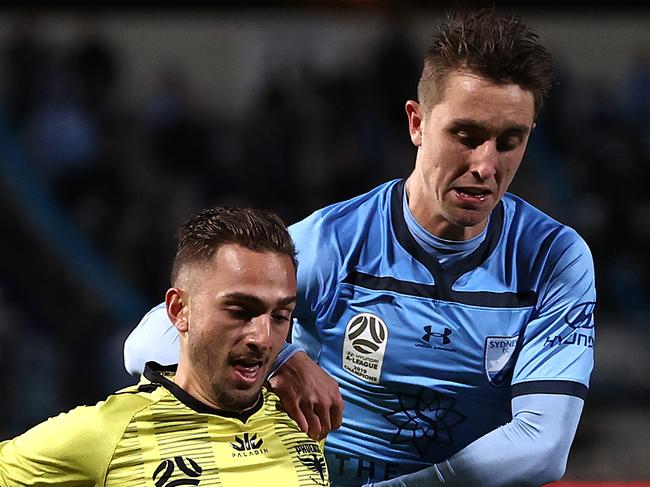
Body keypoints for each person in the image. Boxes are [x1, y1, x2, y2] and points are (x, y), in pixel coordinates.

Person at [124, 9, 596, 487]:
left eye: (508, 141)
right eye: (465, 135)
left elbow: (542, 446)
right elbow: (144, 346)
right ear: (417, 122)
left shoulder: (553, 259)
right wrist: (282, 362)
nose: (485, 164)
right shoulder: (334, 242)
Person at [0, 207, 330, 487]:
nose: (263, 338)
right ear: (178, 310)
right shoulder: (108, 432)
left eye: (281, 315)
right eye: (240, 311)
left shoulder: (304, 418)